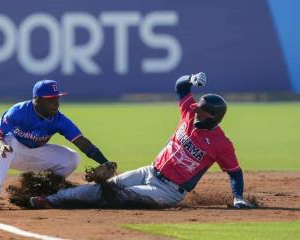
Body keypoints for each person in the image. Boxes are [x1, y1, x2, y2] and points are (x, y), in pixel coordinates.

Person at [29, 73, 255, 209]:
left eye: (202, 111)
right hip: (150, 171)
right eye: (197, 108)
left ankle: (62, 202)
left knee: (116, 196)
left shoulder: (221, 143)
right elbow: (180, 87)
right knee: (106, 186)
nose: (196, 111)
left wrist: (237, 198)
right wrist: (191, 79)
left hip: (169, 191)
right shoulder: (189, 113)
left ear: (214, 116)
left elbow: (234, 171)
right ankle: (51, 199)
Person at [0, 79, 112, 209]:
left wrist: (104, 162)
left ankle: (44, 189)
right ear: (36, 100)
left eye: (57, 99)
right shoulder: (19, 111)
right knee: (7, 141)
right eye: (50, 100)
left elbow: (82, 142)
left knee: (72, 158)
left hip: (36, 155)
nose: (56, 104)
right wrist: (0, 145)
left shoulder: (59, 120)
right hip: (13, 151)